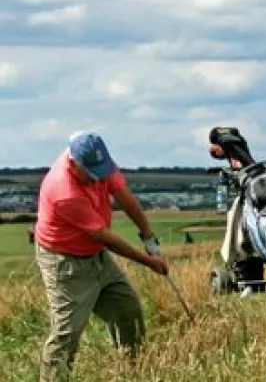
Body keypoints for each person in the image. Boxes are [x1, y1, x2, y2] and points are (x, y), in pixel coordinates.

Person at [33, 131, 168, 381]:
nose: (98, 179)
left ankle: (133, 373)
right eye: (92, 174)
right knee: (67, 332)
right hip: (66, 263)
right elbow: (103, 237)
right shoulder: (63, 191)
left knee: (127, 311)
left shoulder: (98, 162)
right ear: (74, 164)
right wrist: (149, 262)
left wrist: (148, 236)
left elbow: (124, 196)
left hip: (95, 256)